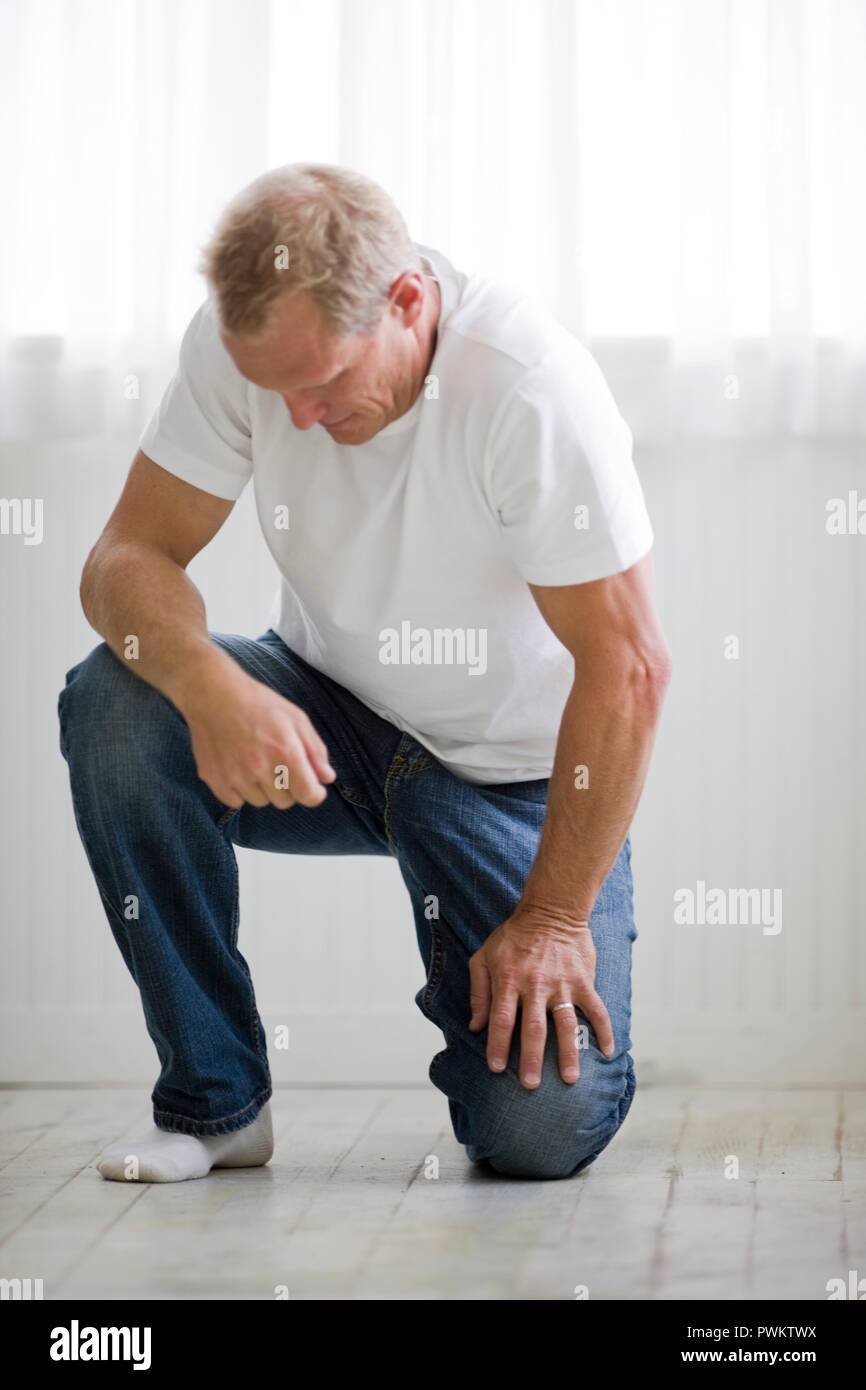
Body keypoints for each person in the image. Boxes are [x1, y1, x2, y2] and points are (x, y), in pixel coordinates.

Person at [58, 163, 672, 1184]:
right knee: (115, 701)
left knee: (535, 1132)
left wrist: (554, 919)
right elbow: (124, 558)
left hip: (508, 780)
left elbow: (630, 665)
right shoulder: (244, 350)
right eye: (273, 390)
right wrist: (210, 687)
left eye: (323, 383)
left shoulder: (523, 386)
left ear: (405, 301)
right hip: (331, 722)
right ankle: (215, 1107)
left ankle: (504, 971)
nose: (296, 419)